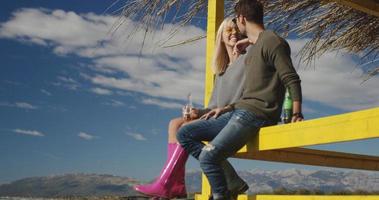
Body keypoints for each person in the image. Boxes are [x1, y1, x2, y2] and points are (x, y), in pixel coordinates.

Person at [176, 1, 304, 200]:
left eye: (236, 21)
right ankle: (232, 182)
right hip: (240, 110)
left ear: (242, 18)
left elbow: (291, 78)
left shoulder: (273, 41)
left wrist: (296, 112)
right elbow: (251, 93)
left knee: (209, 157)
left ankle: (223, 194)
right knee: (185, 132)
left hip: (256, 114)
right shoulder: (258, 45)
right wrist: (226, 107)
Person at [134, 17, 250, 199]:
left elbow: (249, 97)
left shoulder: (247, 60)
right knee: (175, 123)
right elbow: (213, 106)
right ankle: (175, 183)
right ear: (221, 37)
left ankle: (169, 183)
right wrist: (198, 112)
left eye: (236, 30)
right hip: (220, 116)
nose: (233, 33)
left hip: (237, 115)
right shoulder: (221, 70)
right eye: (228, 30)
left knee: (185, 130)